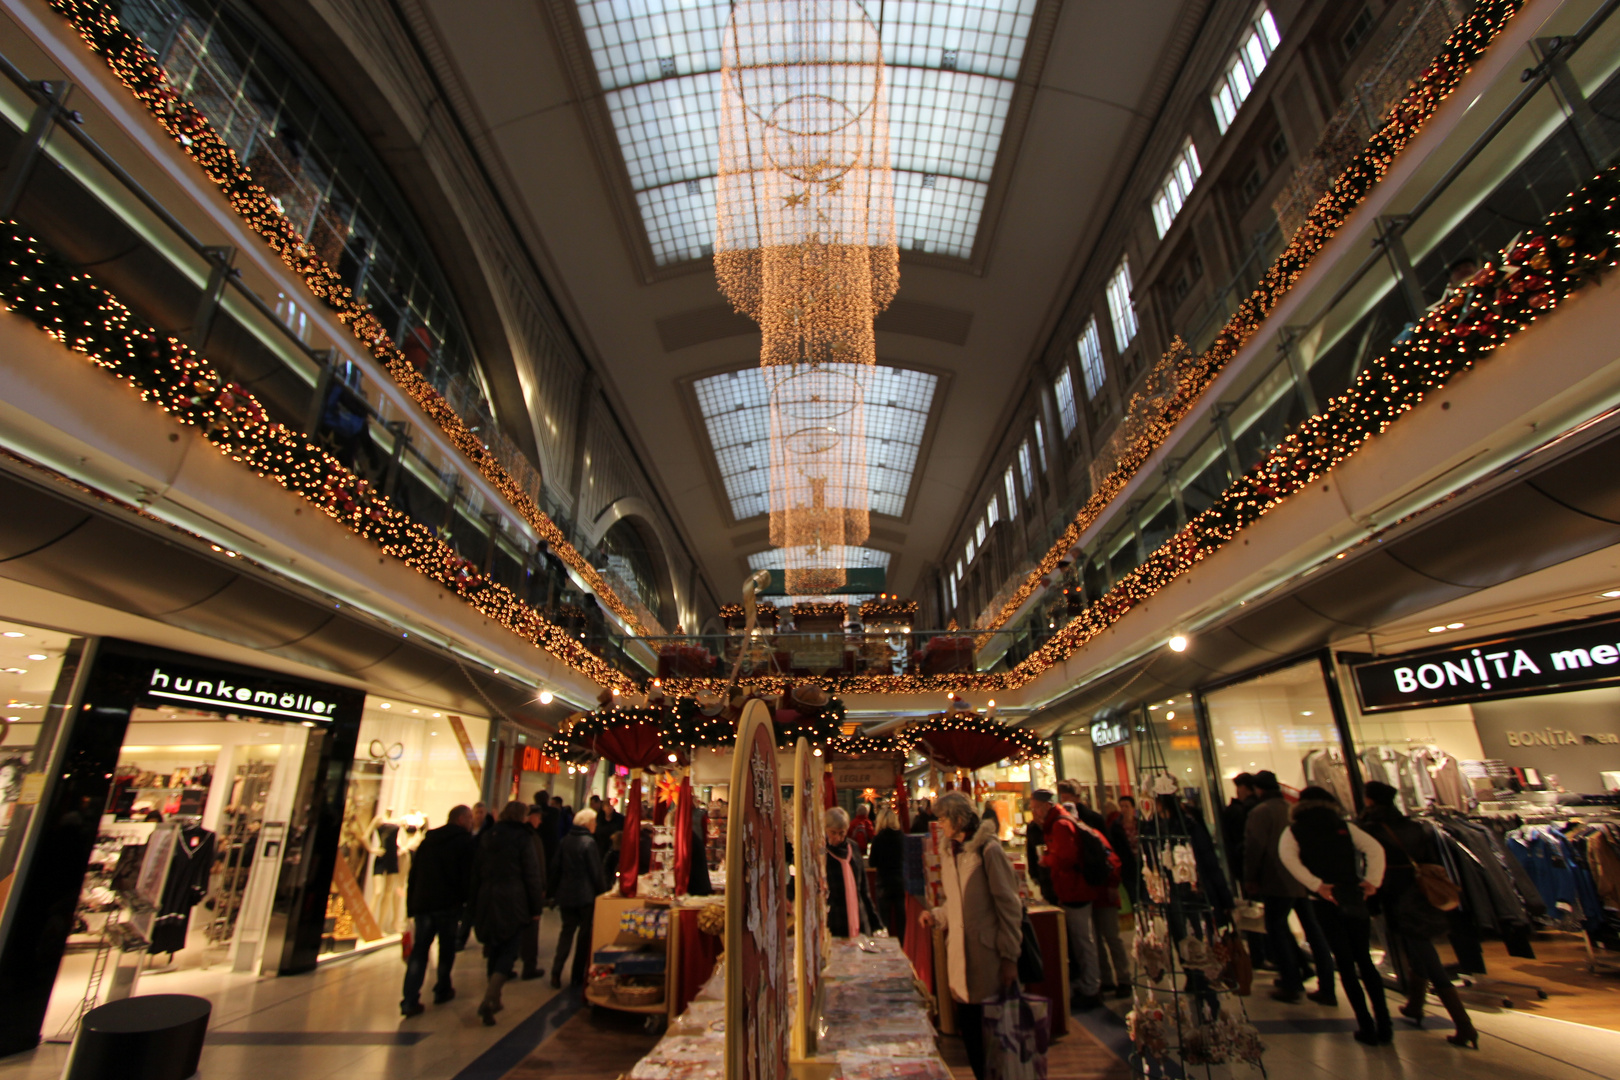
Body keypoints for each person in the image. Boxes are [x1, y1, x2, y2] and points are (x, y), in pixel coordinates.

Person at [1360, 781, 1477, 1049]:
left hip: (1394, 893)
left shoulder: (1371, 829)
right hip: (1419, 891)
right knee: (1417, 947)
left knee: (1423, 952)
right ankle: (1415, 1003)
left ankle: (1463, 1023)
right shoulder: (1415, 827)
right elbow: (1430, 859)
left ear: (1369, 800)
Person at [918, 792, 1022, 1080]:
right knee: (972, 1037)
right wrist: (937, 915)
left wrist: (1009, 957)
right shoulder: (951, 853)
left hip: (987, 958)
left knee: (995, 1042)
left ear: (959, 820)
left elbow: (1009, 906)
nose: (940, 825)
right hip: (961, 960)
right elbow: (955, 902)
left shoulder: (987, 851)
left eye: (943, 819)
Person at [1278, 787, 1389, 1045]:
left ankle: (1366, 1024)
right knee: (1365, 961)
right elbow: (1375, 850)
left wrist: (1317, 884)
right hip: (1352, 895)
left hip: (1325, 899)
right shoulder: (1343, 826)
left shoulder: (1294, 831)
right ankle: (1384, 1023)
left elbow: (1289, 860)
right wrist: (1372, 881)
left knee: (1346, 963)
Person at [1243, 770, 1334, 1004]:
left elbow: (1254, 848)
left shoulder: (1262, 812)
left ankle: (1291, 981)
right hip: (1302, 879)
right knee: (1312, 929)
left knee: (1276, 928)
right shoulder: (1292, 809)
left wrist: (1249, 876)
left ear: (1258, 789)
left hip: (1277, 879)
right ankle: (1325, 982)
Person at [1030, 789, 1113, 1010]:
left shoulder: (1060, 825)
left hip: (1075, 889)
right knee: (1082, 939)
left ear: (1046, 806)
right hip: (1070, 889)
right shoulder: (1057, 823)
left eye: (1035, 808)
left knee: (1083, 940)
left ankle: (1091, 987)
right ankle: (1089, 983)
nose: (1033, 813)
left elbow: (1067, 857)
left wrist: (1048, 860)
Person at [468, 801, 547, 1025]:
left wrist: (473, 903)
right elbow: (531, 874)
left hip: (488, 896)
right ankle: (491, 996)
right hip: (513, 898)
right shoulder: (523, 838)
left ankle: (495, 995)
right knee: (510, 948)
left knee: (494, 944)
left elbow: (476, 872)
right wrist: (535, 908)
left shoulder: (488, 835)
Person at [400, 804, 476, 1017]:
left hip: (424, 904)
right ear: (460, 819)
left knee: (420, 952)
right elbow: (466, 877)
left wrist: (411, 905)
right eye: (469, 818)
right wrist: (466, 903)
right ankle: (442, 987)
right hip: (448, 905)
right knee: (446, 948)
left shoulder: (429, 841)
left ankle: (409, 998)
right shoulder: (464, 843)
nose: (472, 822)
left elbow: (414, 875)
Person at [551, 806, 607, 988]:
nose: (596, 825)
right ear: (588, 823)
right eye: (594, 822)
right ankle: (576, 975)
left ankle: (556, 972)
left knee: (566, 934)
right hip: (585, 897)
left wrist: (553, 892)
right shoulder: (588, 843)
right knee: (583, 938)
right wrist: (603, 893)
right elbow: (595, 872)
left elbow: (556, 868)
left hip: (566, 895)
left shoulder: (565, 841)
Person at [825, 806, 882, 936]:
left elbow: (864, 890)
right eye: (833, 832)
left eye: (842, 833)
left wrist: (875, 923)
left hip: (858, 918)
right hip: (834, 920)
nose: (838, 838)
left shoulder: (853, 848)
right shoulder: (821, 851)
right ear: (826, 830)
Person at [519, 806, 551, 979]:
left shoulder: (528, 836)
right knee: (531, 926)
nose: (540, 821)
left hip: (521, 888)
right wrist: (541, 887)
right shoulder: (529, 838)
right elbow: (535, 867)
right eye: (538, 817)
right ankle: (528, 965)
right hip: (529, 888)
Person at [869, 806, 907, 944]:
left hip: (884, 882)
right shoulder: (901, 837)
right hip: (900, 881)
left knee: (884, 920)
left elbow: (872, 861)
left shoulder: (878, 838)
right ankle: (903, 946)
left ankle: (885, 947)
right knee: (901, 919)